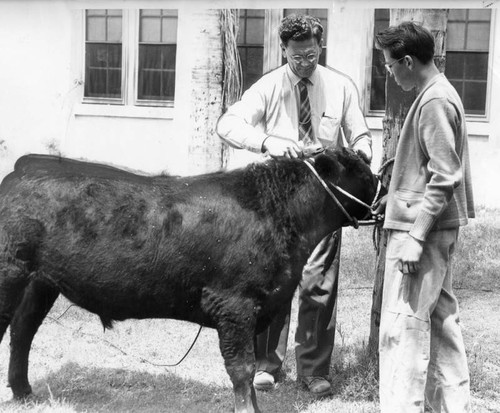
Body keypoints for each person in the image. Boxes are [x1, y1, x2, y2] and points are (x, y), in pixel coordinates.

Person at [217, 14, 372, 396]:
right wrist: (267, 141)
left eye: (311, 54)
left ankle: (314, 370)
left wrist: (362, 152)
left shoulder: (339, 86)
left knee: (319, 284)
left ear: (320, 47)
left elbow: (361, 132)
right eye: (297, 56)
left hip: (323, 201)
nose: (305, 63)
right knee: (274, 282)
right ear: (283, 49)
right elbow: (227, 124)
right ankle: (267, 364)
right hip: (278, 205)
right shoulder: (268, 86)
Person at [372, 21, 475, 412]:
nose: (391, 73)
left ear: (409, 61)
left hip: (423, 235)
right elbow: (426, 165)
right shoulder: (438, 92)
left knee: (404, 330)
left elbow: (445, 174)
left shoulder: (433, 101)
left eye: (390, 66)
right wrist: (395, 197)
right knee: (440, 324)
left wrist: (415, 236)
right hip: (432, 227)